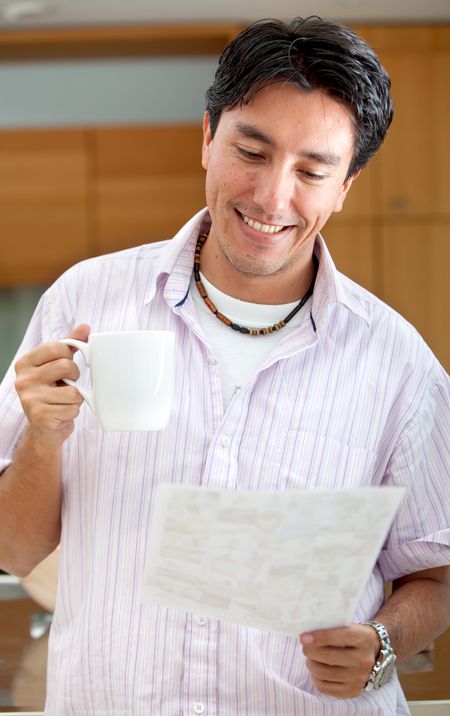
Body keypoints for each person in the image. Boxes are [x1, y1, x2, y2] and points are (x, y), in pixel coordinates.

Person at [0, 16, 448, 716]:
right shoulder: (85, 300)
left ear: (347, 185)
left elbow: (436, 572)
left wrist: (384, 641)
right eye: (253, 151)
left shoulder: (397, 362)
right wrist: (42, 436)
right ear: (208, 137)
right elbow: (15, 551)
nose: (273, 198)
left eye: (312, 170)